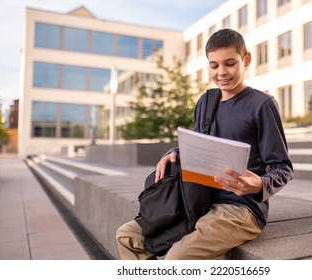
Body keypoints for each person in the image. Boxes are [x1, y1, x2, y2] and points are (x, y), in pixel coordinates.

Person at [116, 28, 293, 260]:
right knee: (127, 236)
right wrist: (173, 152)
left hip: (241, 208)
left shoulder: (262, 104)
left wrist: (260, 184)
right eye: (214, 65)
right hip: (198, 200)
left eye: (230, 63)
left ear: (246, 59)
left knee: (177, 259)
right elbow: (199, 143)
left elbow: (283, 167)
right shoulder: (205, 102)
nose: (222, 72)